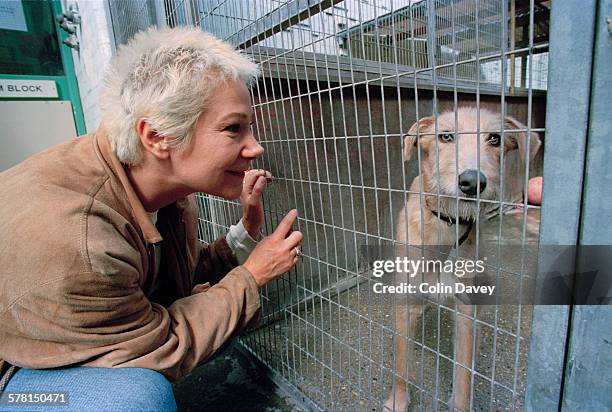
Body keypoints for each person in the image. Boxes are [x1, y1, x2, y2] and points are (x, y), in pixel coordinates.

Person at [0, 27, 302, 411]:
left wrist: (246, 234)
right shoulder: (81, 242)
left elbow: (168, 281)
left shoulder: (162, 192)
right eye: (233, 128)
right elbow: (162, 344)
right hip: (14, 370)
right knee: (138, 398)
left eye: (250, 127)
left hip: (69, 327)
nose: (255, 147)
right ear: (157, 135)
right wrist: (253, 275)